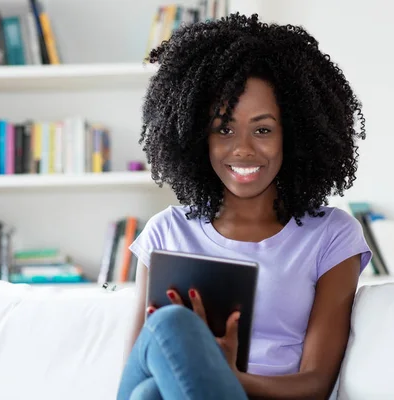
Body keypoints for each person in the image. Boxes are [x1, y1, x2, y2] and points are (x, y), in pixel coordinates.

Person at [117, 13, 372, 400]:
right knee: (154, 378)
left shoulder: (332, 236)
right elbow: (139, 362)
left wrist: (221, 373)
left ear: (296, 135)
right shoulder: (166, 231)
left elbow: (316, 384)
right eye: (224, 129)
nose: (243, 149)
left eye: (263, 129)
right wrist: (194, 361)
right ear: (198, 137)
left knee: (159, 363)